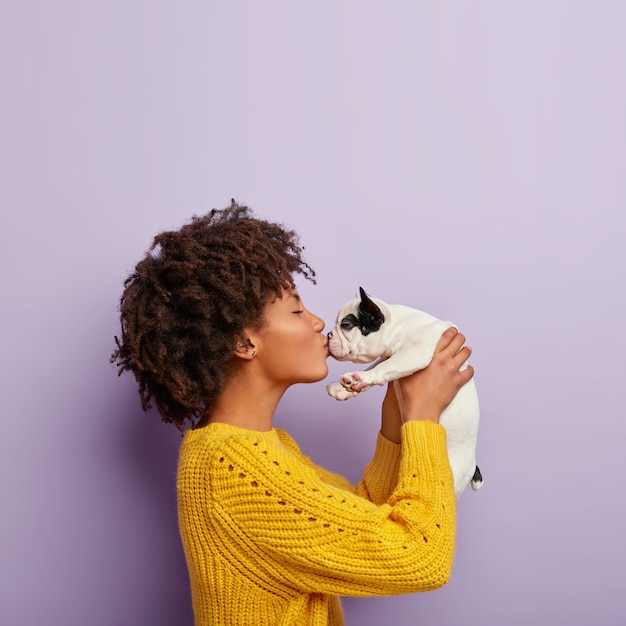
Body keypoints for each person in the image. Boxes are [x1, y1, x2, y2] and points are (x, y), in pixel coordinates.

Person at [112, 200, 474, 626]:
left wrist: (396, 412)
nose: (319, 322)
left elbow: (362, 516)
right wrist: (424, 419)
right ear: (245, 344)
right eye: (297, 309)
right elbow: (419, 556)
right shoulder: (231, 466)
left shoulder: (261, 447)